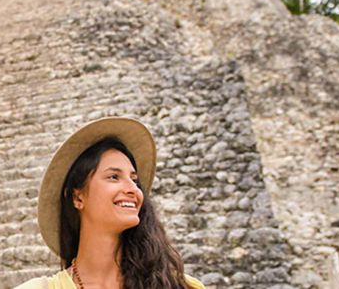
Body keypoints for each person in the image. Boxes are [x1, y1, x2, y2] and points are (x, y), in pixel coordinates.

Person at [15, 117, 205, 289]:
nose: (133, 189)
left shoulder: (178, 286)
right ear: (77, 198)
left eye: (135, 180)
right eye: (114, 177)